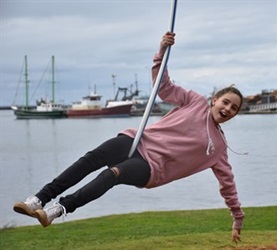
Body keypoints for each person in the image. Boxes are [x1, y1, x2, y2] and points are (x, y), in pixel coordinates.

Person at [13, 32, 245, 243]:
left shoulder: (219, 149)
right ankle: (38, 199)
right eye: (226, 102)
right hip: (138, 141)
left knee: (112, 174)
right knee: (91, 159)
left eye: (233, 108)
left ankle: (58, 209)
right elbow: (163, 88)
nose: (227, 109)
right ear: (215, 99)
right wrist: (161, 51)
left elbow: (228, 185)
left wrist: (237, 217)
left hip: (153, 168)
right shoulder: (194, 101)